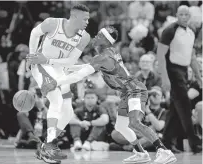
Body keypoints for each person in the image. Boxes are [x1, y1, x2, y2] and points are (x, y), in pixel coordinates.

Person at [55, 26, 176, 164]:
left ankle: (164, 151)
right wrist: (66, 67)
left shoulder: (103, 57)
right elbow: (86, 67)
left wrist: (56, 82)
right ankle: (141, 153)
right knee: (121, 126)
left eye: (99, 36)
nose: (95, 37)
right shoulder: (108, 52)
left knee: (135, 122)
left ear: (105, 40)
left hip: (135, 90)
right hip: (127, 92)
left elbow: (80, 75)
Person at [26, 4, 90, 163]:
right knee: (56, 99)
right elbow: (34, 34)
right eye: (85, 18)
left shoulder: (84, 36)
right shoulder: (52, 23)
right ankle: (50, 147)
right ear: (74, 17)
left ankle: (46, 146)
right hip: (41, 66)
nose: (87, 22)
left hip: (58, 68)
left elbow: (70, 61)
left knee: (68, 112)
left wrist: (47, 59)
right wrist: (32, 55)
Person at [157, 5, 202, 153]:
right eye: (181, 14)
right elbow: (160, 55)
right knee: (184, 104)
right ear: (176, 15)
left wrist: (198, 77)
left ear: (190, 16)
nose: (183, 17)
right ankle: (194, 141)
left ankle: (166, 143)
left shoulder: (191, 32)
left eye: (186, 14)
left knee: (176, 109)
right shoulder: (169, 30)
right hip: (172, 69)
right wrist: (164, 78)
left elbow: (193, 57)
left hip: (183, 71)